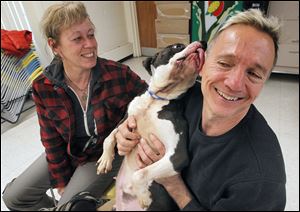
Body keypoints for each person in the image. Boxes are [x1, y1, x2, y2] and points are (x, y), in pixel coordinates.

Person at [116, 9, 286, 211]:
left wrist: (173, 184)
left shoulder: (260, 182)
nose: (234, 83)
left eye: (254, 73)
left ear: (264, 82)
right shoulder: (184, 93)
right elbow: (142, 109)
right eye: (224, 63)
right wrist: (124, 132)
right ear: (202, 63)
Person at [2, 2, 147, 211]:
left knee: (68, 208)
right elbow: (51, 139)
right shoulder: (43, 87)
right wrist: (61, 179)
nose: (90, 44)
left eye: (91, 35)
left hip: (102, 156)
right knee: (14, 198)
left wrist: (131, 128)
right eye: (78, 38)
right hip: (69, 150)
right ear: (55, 46)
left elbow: (151, 100)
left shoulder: (118, 74)